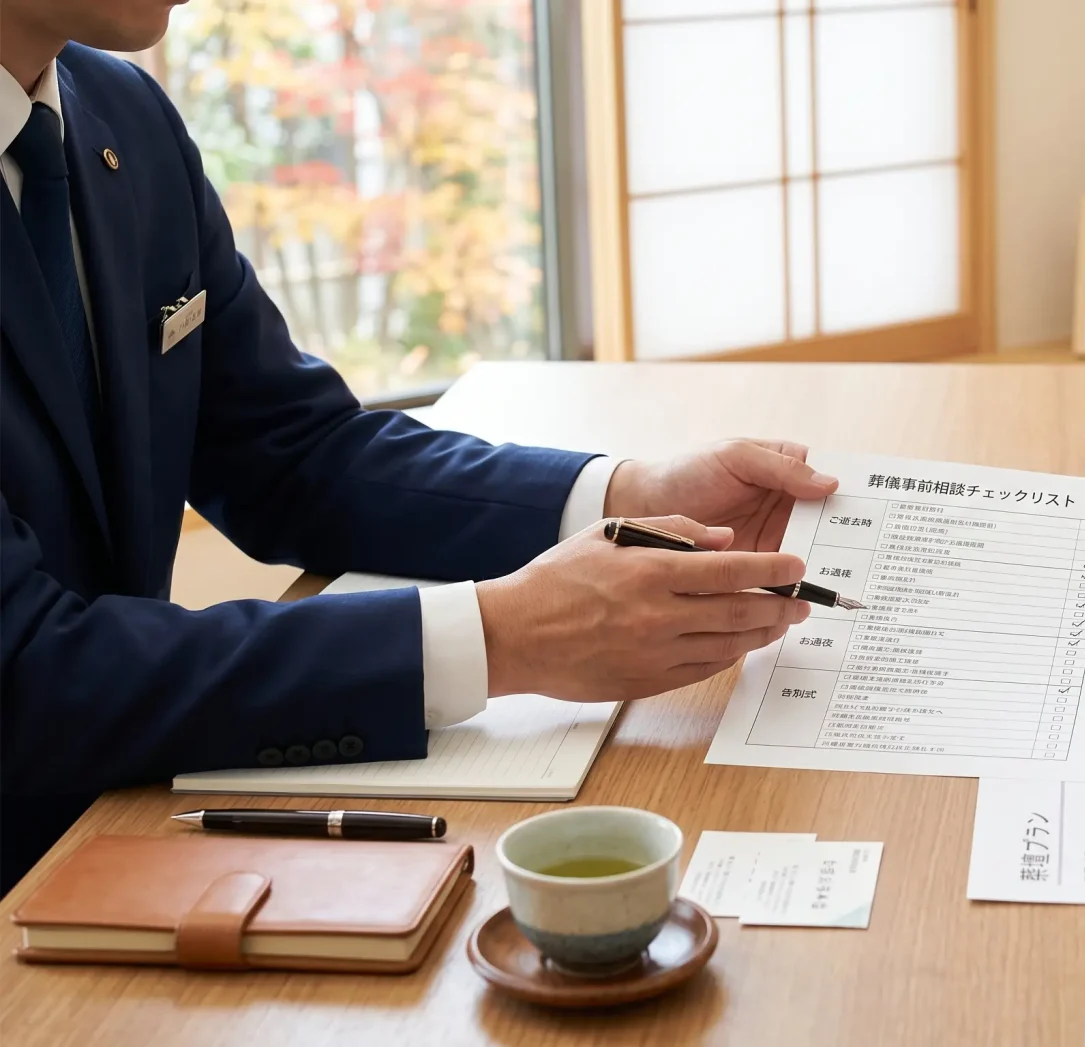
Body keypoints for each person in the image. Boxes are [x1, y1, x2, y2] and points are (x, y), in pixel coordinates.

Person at [1, 6, 825, 890]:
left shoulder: (121, 111)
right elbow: (27, 673)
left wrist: (625, 498)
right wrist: (503, 636)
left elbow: (293, 449)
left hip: (120, 833)